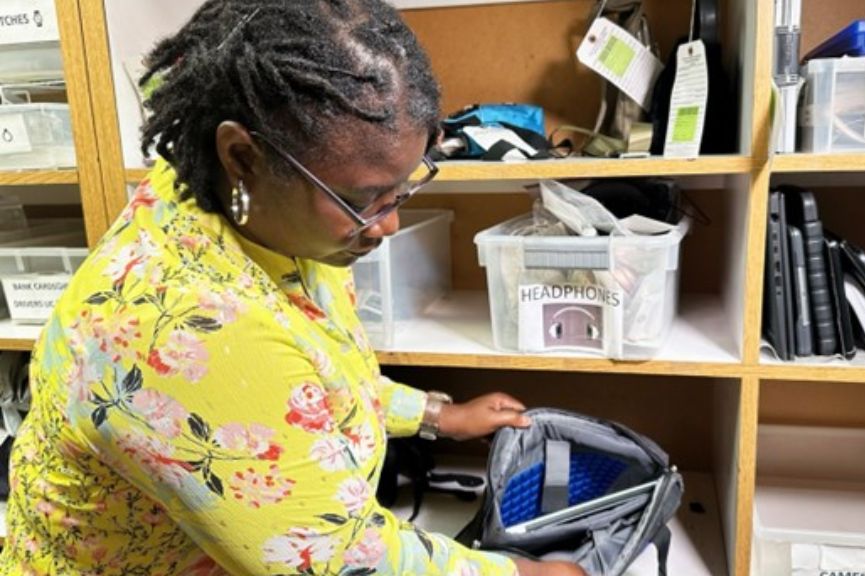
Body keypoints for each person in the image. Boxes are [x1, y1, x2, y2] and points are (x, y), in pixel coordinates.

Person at [0, 1, 585, 575]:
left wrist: (435, 415)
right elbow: (336, 563)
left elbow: (316, 379)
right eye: (363, 200)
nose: (388, 224)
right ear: (242, 155)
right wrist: (519, 573)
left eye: (401, 189)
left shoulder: (251, 208)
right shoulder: (189, 327)